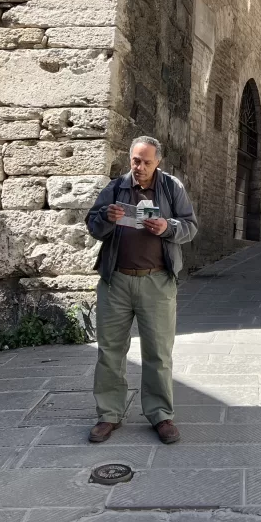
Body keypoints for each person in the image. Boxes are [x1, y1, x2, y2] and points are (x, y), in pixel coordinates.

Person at [85, 136, 198, 445]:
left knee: (159, 353)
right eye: (136, 160)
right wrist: (106, 219)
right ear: (130, 159)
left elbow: (190, 226)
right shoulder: (115, 188)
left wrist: (167, 227)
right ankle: (109, 415)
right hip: (116, 281)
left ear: (157, 162)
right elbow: (92, 225)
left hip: (157, 281)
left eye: (147, 162)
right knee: (110, 350)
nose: (141, 167)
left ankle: (161, 415)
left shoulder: (171, 188)